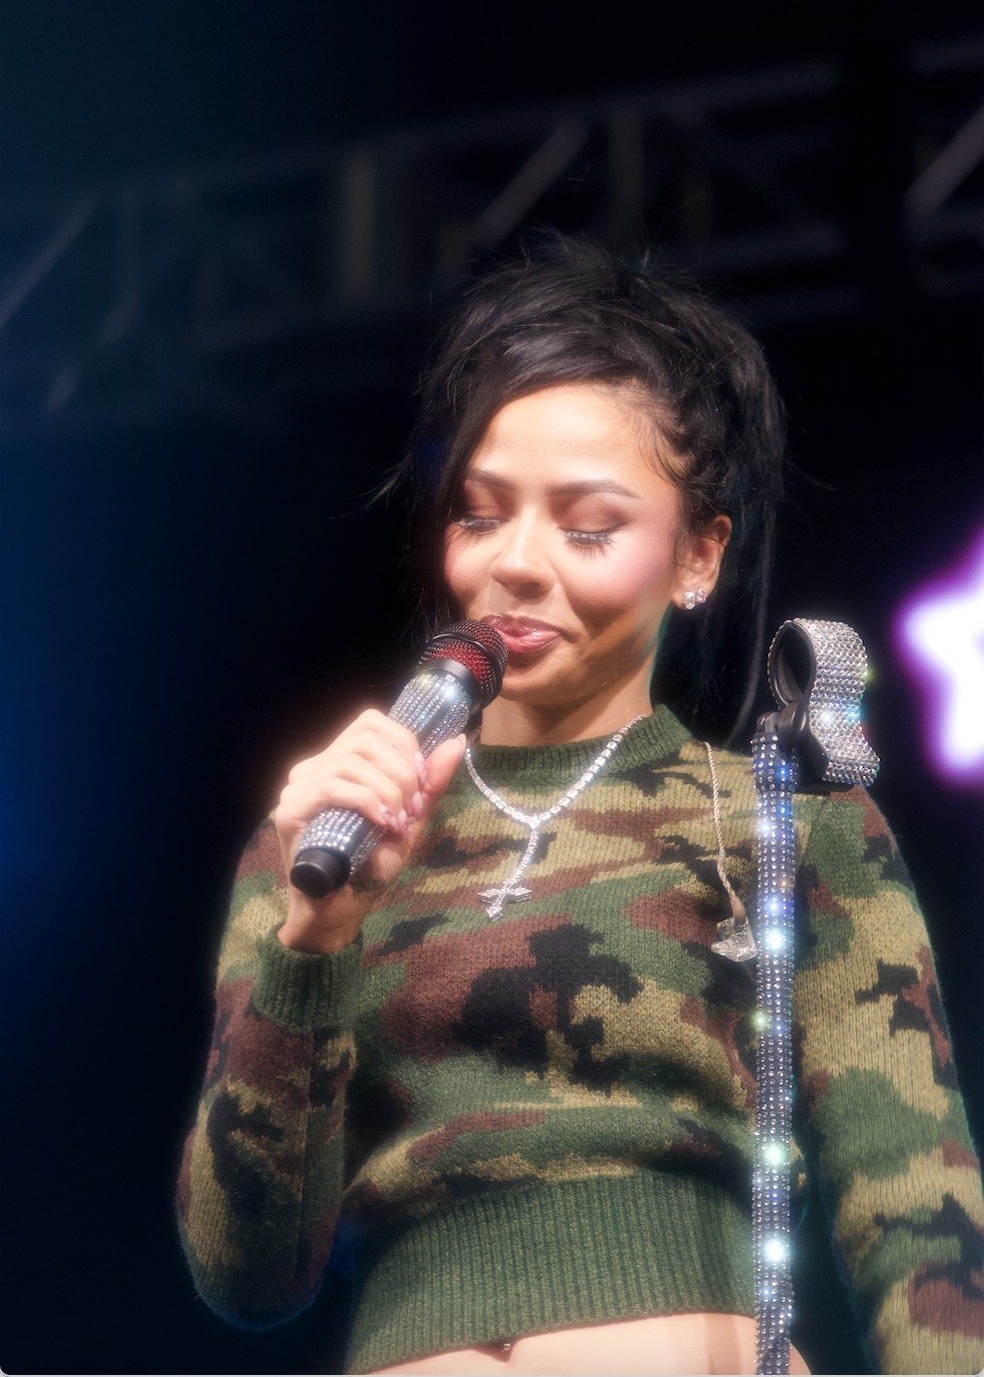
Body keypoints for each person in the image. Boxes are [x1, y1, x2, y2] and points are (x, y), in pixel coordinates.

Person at [177, 236, 984, 1375]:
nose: (515, 563)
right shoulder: (325, 831)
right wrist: (313, 943)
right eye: (479, 513)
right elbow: (243, 1273)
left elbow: (921, 1219)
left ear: (699, 553)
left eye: (588, 526)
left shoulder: (784, 819)